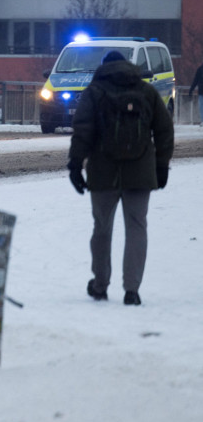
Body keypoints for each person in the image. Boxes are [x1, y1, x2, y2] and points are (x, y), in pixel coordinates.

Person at [67, 50, 174, 306]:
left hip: (103, 170)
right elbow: (164, 128)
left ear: (104, 67)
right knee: (137, 227)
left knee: (102, 228)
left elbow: (83, 130)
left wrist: (75, 165)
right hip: (141, 171)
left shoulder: (94, 91)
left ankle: (100, 285)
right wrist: (161, 165)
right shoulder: (146, 91)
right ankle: (132, 290)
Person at [188, 61, 203, 125]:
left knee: (201, 107)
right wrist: (191, 89)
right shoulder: (200, 69)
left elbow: (195, 81)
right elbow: (195, 80)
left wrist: (191, 90)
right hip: (201, 92)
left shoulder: (200, 69)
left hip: (201, 91)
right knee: (201, 107)